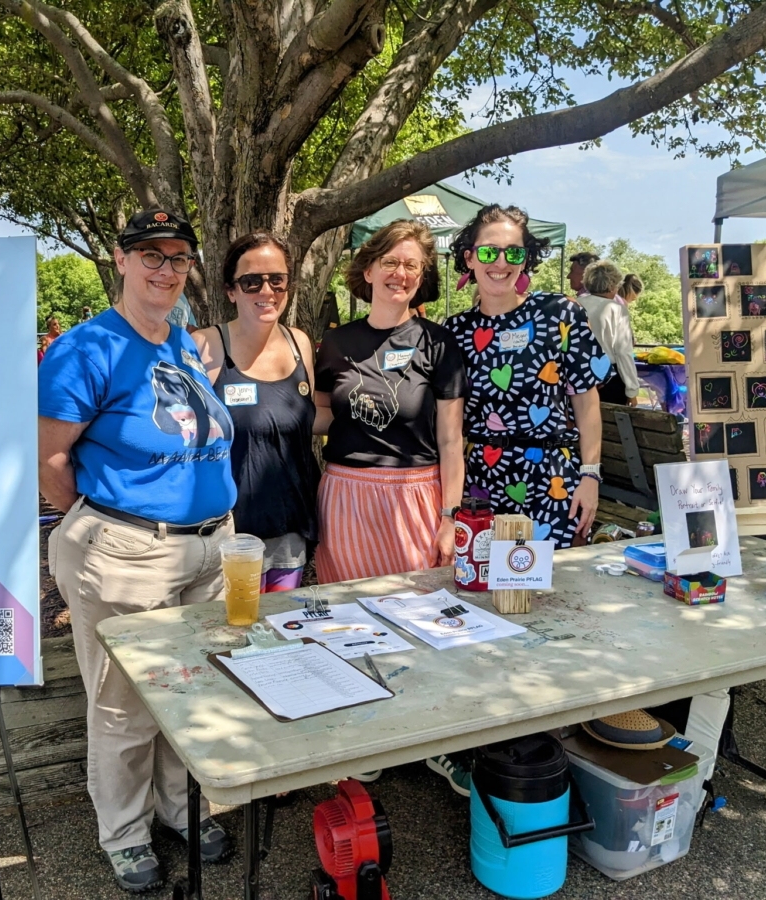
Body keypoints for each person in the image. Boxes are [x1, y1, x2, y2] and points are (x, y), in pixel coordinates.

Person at [39, 208, 235, 893]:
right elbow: (54, 461)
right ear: (120, 261)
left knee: (192, 688)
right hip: (127, 551)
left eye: (178, 258)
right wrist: (105, 531)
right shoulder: (86, 349)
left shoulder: (182, 344)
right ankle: (123, 831)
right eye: (150, 255)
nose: (165, 269)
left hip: (210, 549)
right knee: (123, 699)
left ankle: (179, 806)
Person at [313, 220, 465, 585]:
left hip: (415, 499)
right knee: (346, 619)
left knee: (420, 614)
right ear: (369, 270)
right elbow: (318, 415)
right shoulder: (336, 344)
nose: (401, 274)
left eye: (412, 265)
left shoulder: (439, 344)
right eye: (390, 262)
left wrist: (450, 517)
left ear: (422, 275)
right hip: (344, 499)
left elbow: (451, 441)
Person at [447, 205, 604, 548]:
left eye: (513, 252)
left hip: (552, 480)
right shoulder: (455, 331)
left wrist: (590, 475)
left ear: (525, 259)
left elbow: (586, 399)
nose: (500, 263)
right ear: (470, 258)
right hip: (480, 484)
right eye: (489, 251)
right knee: (481, 589)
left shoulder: (560, 314)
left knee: (552, 592)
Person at [192, 233, 320, 592]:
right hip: (226, 535)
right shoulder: (205, 346)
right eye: (251, 282)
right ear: (231, 290)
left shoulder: (300, 344)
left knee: (279, 638)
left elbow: (304, 420)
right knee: (231, 638)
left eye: (276, 280)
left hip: (288, 530)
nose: (267, 291)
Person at [578, 260, 639, 406]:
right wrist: (632, 390)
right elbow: (623, 352)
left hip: (578, 376)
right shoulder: (616, 309)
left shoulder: (574, 304)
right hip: (608, 378)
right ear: (612, 285)